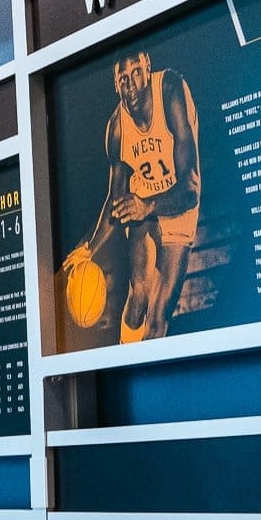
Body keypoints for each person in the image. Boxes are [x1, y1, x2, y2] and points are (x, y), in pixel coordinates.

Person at [62, 49, 202, 342]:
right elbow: (116, 202)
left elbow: (190, 190)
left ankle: (148, 373)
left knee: (159, 313)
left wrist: (147, 206)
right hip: (142, 199)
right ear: (115, 84)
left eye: (136, 72)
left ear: (147, 67)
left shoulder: (172, 91)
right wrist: (89, 247)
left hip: (176, 199)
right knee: (138, 297)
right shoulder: (116, 128)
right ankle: (126, 353)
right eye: (122, 78)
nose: (130, 83)